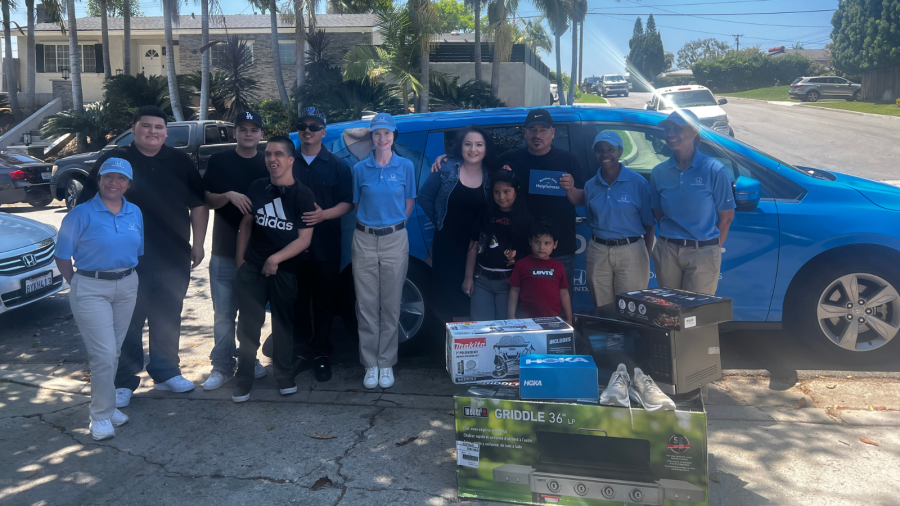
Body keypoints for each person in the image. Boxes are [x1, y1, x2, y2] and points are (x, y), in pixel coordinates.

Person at [77, 105, 208, 408]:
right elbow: (86, 205)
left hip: (173, 255)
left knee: (167, 316)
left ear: (166, 131)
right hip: (124, 260)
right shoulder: (115, 160)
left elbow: (198, 204)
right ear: (134, 129)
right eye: (146, 126)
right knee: (127, 321)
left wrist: (198, 243)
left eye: (159, 127)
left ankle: (166, 372)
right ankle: (124, 381)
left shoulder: (180, 161)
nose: (153, 132)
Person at [431, 109, 586, 295]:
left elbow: (582, 199)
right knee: (524, 304)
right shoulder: (510, 158)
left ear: (552, 133)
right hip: (518, 247)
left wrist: (571, 189)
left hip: (559, 247)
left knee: (557, 303)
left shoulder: (568, 159)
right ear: (524, 132)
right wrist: (449, 160)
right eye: (532, 130)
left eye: (543, 130)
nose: (537, 135)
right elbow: (476, 163)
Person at [55, 158, 143, 440]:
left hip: (127, 283)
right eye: (108, 177)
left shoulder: (134, 212)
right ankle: (100, 415)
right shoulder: (80, 215)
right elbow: (62, 256)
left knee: (113, 351)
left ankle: (108, 405)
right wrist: (80, 285)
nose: (113, 183)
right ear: (99, 180)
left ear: (128, 184)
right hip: (91, 287)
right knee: (103, 354)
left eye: (120, 178)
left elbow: (136, 249)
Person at [232, 136, 317, 403]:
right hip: (253, 269)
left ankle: (284, 375)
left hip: (285, 272)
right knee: (248, 326)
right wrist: (241, 264)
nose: (272, 159)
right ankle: (243, 378)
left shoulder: (303, 195)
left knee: (283, 326)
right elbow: (246, 226)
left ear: (291, 160)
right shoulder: (257, 187)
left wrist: (276, 259)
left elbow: (304, 239)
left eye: (279, 154)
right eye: (268, 154)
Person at [200, 111, 270, 391]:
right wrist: (228, 195)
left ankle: (248, 359)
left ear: (261, 134)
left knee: (252, 312)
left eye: (254, 130)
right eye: (243, 129)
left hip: (259, 252)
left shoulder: (268, 161)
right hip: (224, 249)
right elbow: (206, 200)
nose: (249, 134)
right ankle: (222, 365)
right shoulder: (220, 161)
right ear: (235, 133)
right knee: (224, 313)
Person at [351, 113, 416, 390]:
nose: (382, 138)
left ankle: (386, 362)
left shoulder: (406, 166)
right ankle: (371, 364)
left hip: (395, 239)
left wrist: (393, 226)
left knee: (391, 304)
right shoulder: (359, 169)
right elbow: (357, 204)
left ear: (393, 136)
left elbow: (409, 202)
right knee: (366, 305)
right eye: (377, 133)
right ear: (372, 137)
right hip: (364, 239)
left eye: (387, 133)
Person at [291, 107, 354, 382]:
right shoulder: (287, 161)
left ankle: (321, 354)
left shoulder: (338, 165)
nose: (308, 130)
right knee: (297, 302)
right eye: (303, 125)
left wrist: (324, 214)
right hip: (291, 246)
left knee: (325, 303)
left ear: (323, 132)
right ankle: (300, 353)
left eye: (314, 126)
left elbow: (349, 203)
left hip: (326, 245)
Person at [559, 131, 655, 307]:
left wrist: (644, 256)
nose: (605, 154)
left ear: (620, 152)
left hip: (631, 250)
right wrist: (570, 189)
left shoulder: (638, 183)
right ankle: (610, 335)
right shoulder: (590, 185)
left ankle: (630, 335)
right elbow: (583, 205)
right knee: (603, 307)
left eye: (611, 149)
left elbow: (649, 225)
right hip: (599, 250)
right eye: (600, 149)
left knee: (631, 307)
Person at [649, 110, 736, 294]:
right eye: (667, 129)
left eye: (677, 128)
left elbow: (727, 217)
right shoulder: (659, 172)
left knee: (697, 316)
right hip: (668, 251)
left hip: (702, 252)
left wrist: (711, 249)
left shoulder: (714, 169)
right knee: (668, 312)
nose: (670, 133)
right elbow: (659, 213)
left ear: (694, 131)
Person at [418, 126, 496, 322]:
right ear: (461, 147)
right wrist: (440, 221)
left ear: (486, 148)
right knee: (449, 300)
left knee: (476, 298)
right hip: (448, 245)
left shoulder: (491, 175)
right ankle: (453, 347)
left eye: (479, 144)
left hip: (479, 246)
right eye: (468, 144)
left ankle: (473, 346)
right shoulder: (445, 168)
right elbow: (424, 198)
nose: (473, 149)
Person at [462, 170, 532, 320]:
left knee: (505, 328)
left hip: (509, 284)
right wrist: (468, 277)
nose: (501, 197)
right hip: (481, 281)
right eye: (496, 192)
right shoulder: (486, 214)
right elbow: (474, 245)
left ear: (517, 191)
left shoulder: (525, 219)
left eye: (507, 191)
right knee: (481, 327)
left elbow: (529, 255)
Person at [507, 219, 572, 324]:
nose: (541, 247)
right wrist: (511, 316)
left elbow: (564, 293)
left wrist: (569, 319)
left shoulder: (559, 266)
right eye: (537, 242)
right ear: (530, 242)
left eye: (547, 243)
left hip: (553, 320)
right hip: (527, 321)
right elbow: (514, 291)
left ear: (555, 244)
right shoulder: (521, 264)